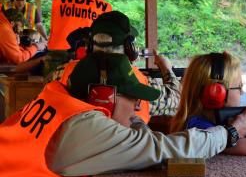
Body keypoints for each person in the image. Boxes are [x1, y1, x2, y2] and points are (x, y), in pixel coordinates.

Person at [0, 51, 246, 177]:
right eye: (132, 98)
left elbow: (141, 139)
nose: (137, 106)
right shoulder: (84, 128)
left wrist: (133, 122)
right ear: (102, 97)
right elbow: (167, 150)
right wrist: (230, 132)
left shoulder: (56, 100)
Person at [51, 11, 181, 123]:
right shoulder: (139, 81)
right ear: (130, 49)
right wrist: (166, 68)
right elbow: (176, 98)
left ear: (90, 46)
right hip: (128, 148)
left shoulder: (61, 72)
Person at [46, 0, 112, 75]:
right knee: (82, 90)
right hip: (87, 57)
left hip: (57, 55)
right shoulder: (106, 7)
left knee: (51, 89)